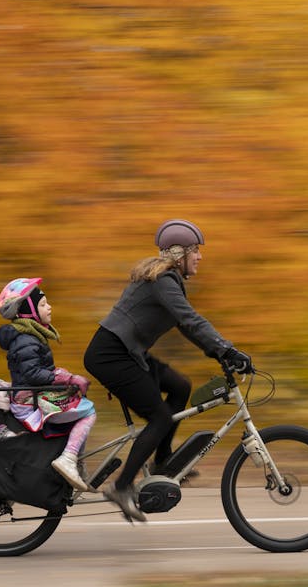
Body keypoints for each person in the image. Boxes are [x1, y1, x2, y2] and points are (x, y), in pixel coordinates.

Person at [84, 219, 252, 522]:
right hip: (112, 356)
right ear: (178, 253)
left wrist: (218, 352)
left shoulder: (166, 280)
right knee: (160, 417)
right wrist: (227, 349)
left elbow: (185, 325)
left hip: (127, 353)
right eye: (195, 251)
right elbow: (190, 320)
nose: (200, 257)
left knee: (180, 386)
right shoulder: (163, 280)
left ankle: (163, 462)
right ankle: (121, 487)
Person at [0, 277, 97, 492]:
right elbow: (33, 374)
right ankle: (69, 460)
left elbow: (40, 370)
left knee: (80, 405)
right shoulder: (26, 339)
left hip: (31, 397)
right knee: (88, 411)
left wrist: (64, 376)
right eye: (42, 304)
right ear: (29, 311)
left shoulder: (30, 335)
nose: (49, 307)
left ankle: (74, 461)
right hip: (29, 404)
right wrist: (68, 379)